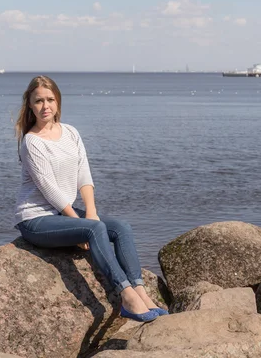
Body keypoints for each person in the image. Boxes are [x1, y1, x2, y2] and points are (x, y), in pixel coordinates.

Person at [13, 75, 167, 322]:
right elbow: (50, 190)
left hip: (63, 213)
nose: (45, 106)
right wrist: (82, 223)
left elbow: (83, 173)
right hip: (36, 219)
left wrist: (91, 211)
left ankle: (140, 290)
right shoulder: (32, 142)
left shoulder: (71, 132)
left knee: (121, 228)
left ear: (58, 102)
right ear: (30, 105)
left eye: (50, 99)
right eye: (39, 101)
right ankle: (126, 296)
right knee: (95, 229)